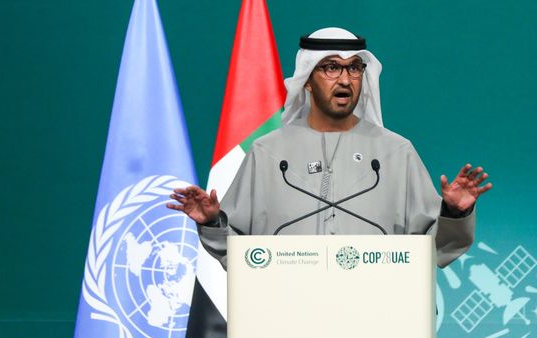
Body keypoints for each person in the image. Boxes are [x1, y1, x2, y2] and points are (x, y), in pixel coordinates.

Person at [168, 27, 492, 268]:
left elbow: (433, 249)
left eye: (354, 68)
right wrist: (212, 223)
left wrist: (454, 213)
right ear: (307, 80)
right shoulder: (268, 153)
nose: (345, 80)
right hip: (286, 316)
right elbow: (240, 253)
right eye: (332, 67)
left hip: (378, 317)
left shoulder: (395, 152)